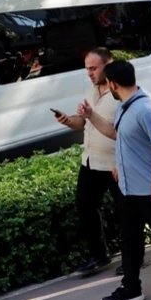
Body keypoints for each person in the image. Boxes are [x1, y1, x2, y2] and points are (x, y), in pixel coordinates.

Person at [82, 60, 151, 300]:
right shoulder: (124, 106)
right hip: (128, 188)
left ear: (113, 83)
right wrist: (90, 116)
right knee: (129, 239)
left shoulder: (146, 109)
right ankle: (131, 287)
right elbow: (117, 134)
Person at [57, 48, 119, 277]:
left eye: (94, 68)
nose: (89, 74)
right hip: (91, 161)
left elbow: (121, 130)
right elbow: (81, 123)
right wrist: (68, 121)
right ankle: (99, 255)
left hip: (115, 163)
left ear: (108, 64)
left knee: (126, 212)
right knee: (84, 205)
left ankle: (135, 256)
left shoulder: (120, 91)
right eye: (87, 69)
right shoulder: (90, 90)